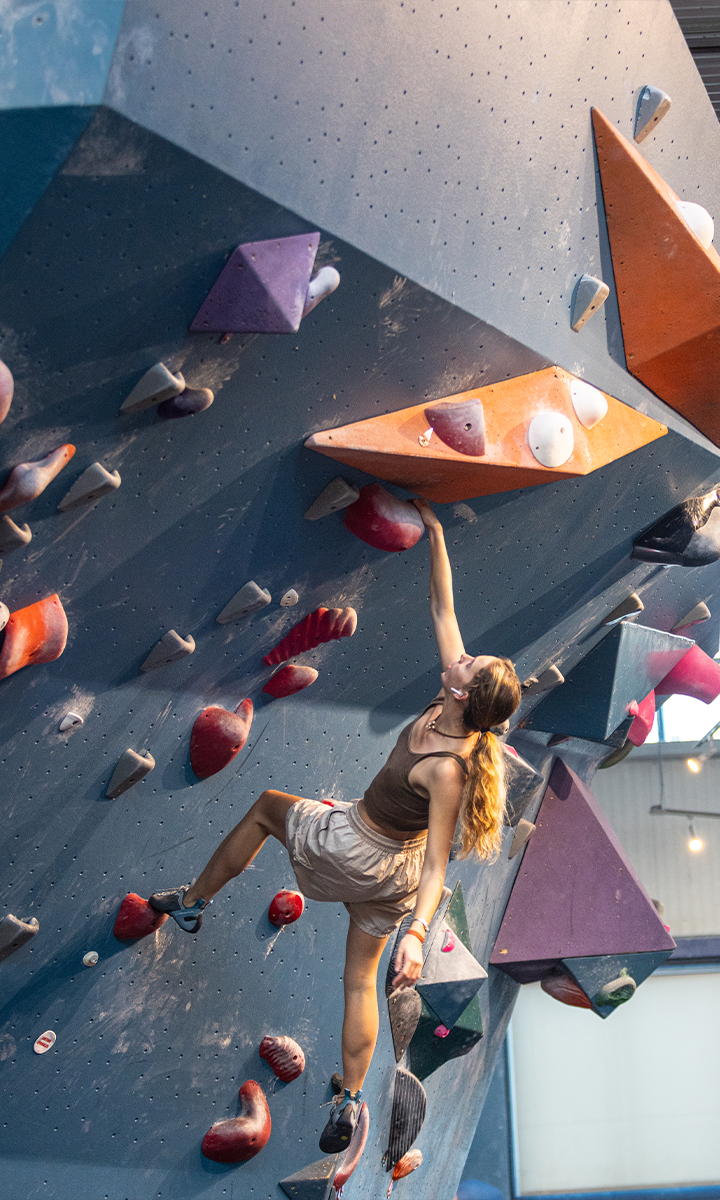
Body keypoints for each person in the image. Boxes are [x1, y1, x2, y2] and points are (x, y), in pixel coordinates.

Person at [149, 499, 521, 1152]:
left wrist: (418, 935)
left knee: (268, 805)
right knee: (358, 982)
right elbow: (444, 609)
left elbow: (440, 862)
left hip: (363, 848)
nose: (460, 658)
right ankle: (349, 1100)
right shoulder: (457, 707)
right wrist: (434, 534)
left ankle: (190, 902)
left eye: (468, 665)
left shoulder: (448, 767)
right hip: (390, 879)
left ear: (464, 692)